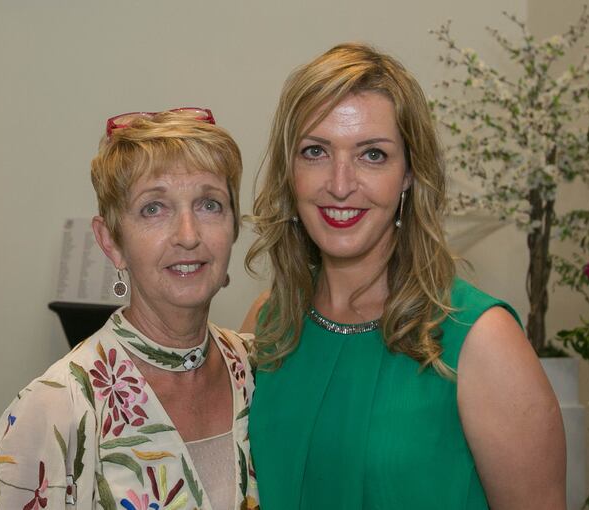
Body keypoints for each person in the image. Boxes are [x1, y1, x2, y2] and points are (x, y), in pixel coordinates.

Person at [242, 43, 566, 509]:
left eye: (372, 155)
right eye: (315, 151)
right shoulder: (268, 323)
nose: (339, 184)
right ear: (288, 171)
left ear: (410, 174)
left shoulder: (482, 341)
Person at [0, 109, 259, 510]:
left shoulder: (259, 373)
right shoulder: (58, 407)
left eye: (210, 204)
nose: (188, 235)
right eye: (153, 208)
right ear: (111, 242)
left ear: (234, 228)